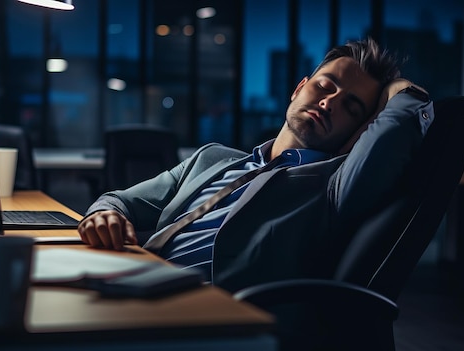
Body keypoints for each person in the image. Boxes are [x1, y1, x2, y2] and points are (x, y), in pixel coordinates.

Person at [78, 37, 434, 293]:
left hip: (206, 317)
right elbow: (122, 200)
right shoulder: (211, 158)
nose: (329, 104)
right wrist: (106, 213)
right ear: (299, 88)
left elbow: (400, 124)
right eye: (326, 86)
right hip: (130, 280)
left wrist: (401, 89)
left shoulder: (331, 187)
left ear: (358, 131)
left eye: (352, 108)